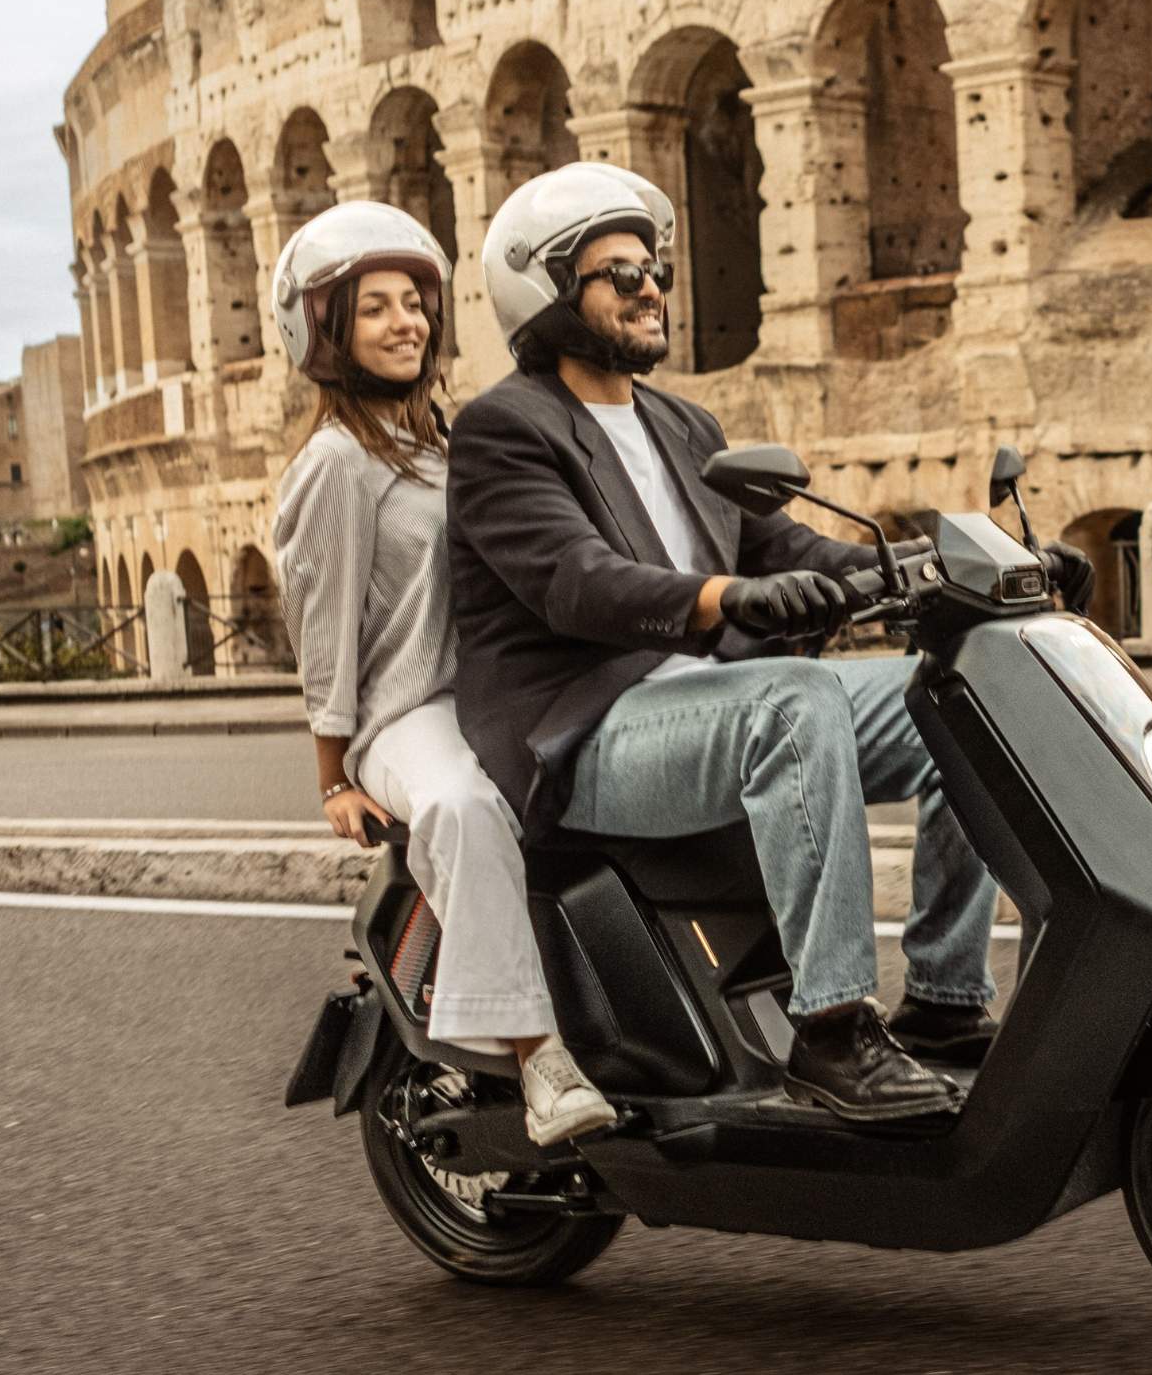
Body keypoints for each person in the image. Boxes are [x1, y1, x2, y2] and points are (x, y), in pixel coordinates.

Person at [448, 163, 1088, 1124]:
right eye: (621, 274)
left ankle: (947, 1000)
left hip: (709, 708)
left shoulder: (681, 423)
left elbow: (798, 549)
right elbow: (576, 583)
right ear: (547, 292)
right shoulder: (505, 429)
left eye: (655, 269)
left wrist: (979, 563)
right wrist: (725, 597)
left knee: (969, 695)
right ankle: (831, 1032)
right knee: (797, 702)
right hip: (590, 733)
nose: (652, 287)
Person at [269, 200, 617, 1147]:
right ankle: (540, 1059)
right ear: (325, 329)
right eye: (374, 307)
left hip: (497, 693)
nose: (405, 322)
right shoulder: (337, 465)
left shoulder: (452, 441)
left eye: (416, 302)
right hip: (405, 716)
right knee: (463, 809)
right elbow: (324, 630)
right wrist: (334, 775)